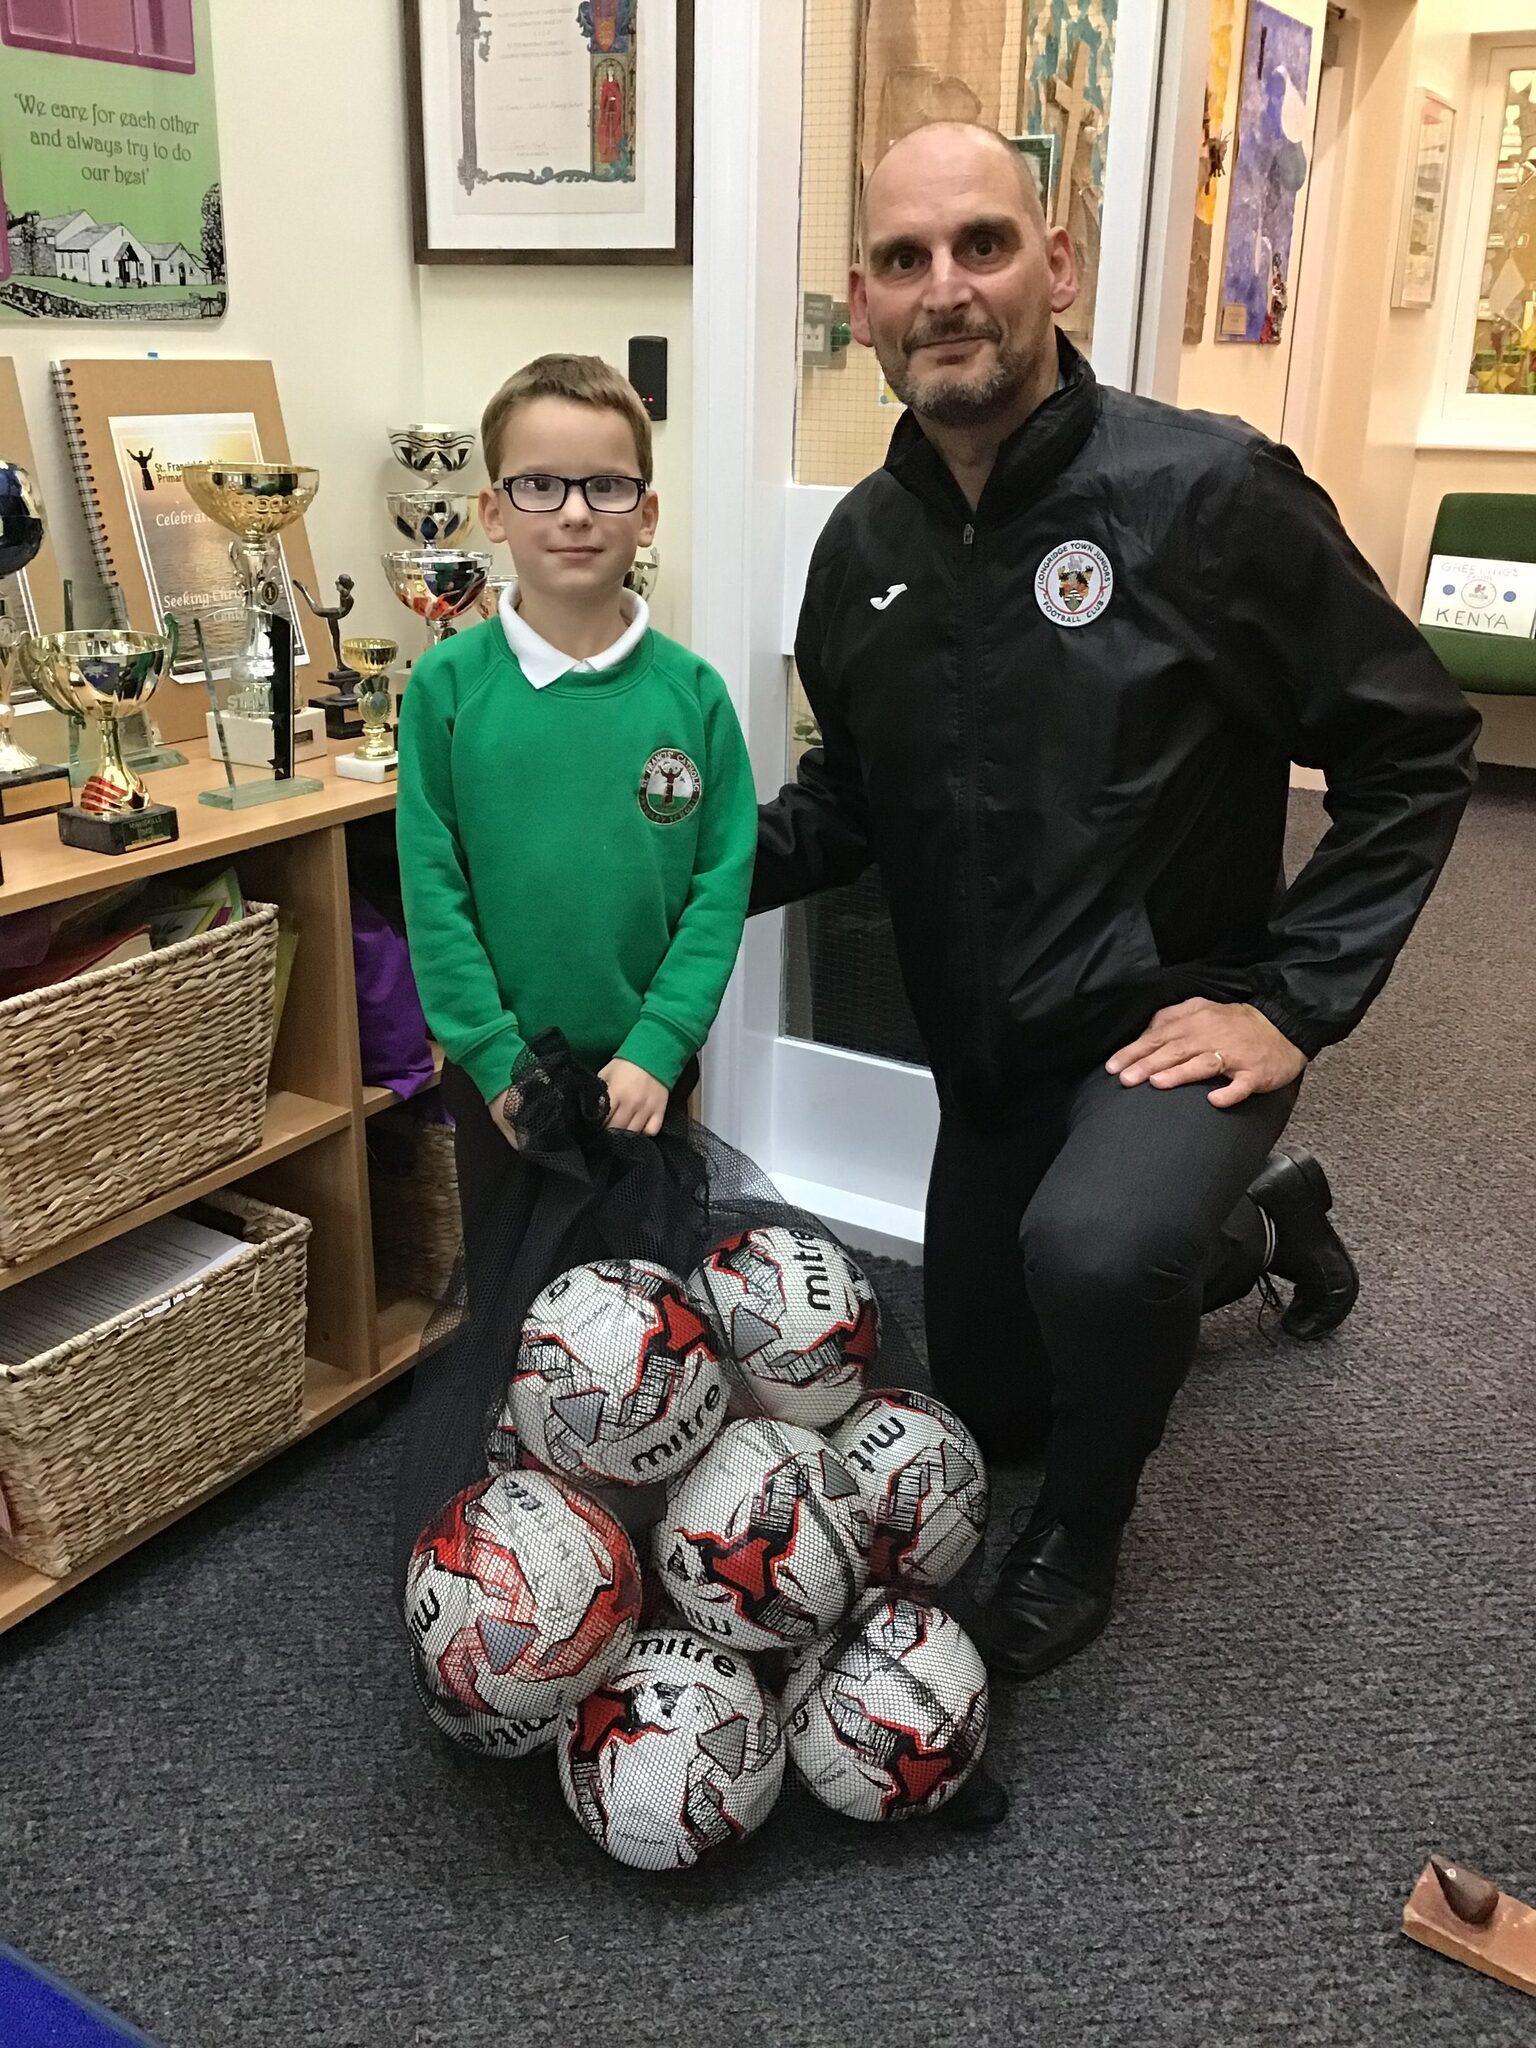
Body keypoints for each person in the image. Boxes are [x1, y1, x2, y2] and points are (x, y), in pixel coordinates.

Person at [752, 123, 1479, 1682]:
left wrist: (1292, 1001)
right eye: (904, 260)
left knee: (1093, 1258)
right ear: (864, 305)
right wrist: (671, 871)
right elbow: (852, 806)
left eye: (984, 245)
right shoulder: (861, 549)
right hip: (992, 1060)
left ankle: (1084, 1535)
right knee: (998, 1405)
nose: (947, 288)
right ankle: (1257, 1227)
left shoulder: (1208, 493)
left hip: (1171, 1029)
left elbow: (1414, 745)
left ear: (1059, 267)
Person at [398, 353, 757, 1291]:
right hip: (504, 1081)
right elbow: (433, 888)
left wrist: (659, 1046)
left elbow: (720, 888)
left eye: (606, 485)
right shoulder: (446, 687)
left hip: (645, 1075)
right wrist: (492, 1055)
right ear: (492, 510)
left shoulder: (694, 695)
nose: (573, 512)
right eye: (540, 485)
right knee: (518, 1308)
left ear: (647, 512)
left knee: (650, 1311)